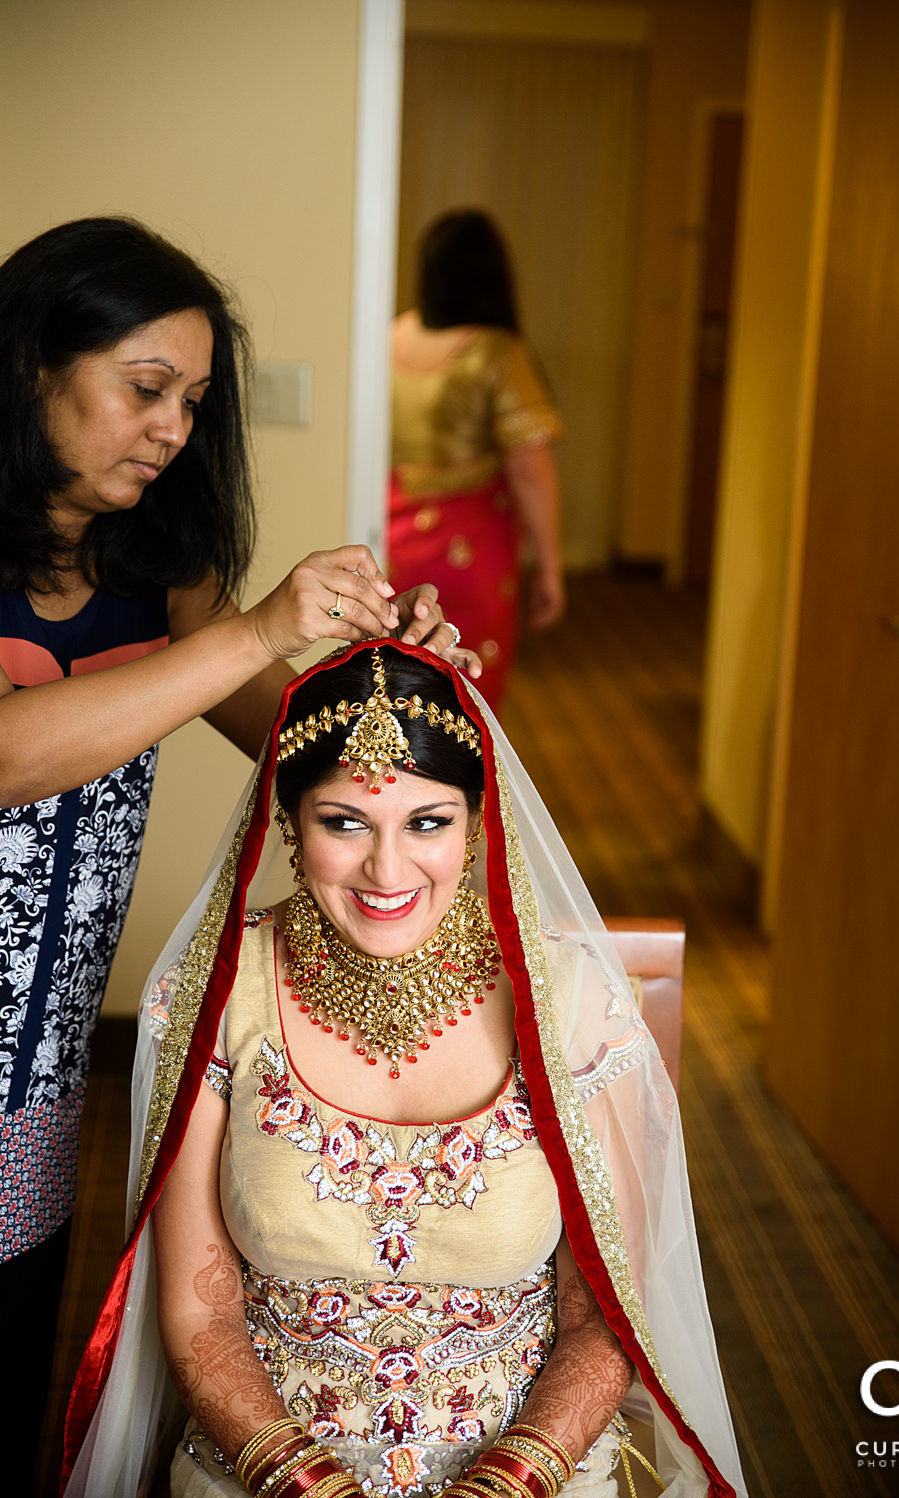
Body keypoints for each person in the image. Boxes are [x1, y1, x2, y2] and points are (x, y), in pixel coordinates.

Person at [0, 215, 476, 1459]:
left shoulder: (152, 577)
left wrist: (401, 686)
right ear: (26, 367)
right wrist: (261, 626)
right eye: (145, 389)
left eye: (195, 401)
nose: (174, 429)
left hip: (38, 1072)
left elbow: (293, 742)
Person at [63, 640, 747, 1498]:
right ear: (288, 822)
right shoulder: (220, 989)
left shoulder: (567, 1002)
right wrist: (307, 1484)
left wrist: (500, 1486)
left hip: (530, 1474)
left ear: (476, 822)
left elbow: (602, 1316)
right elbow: (200, 1314)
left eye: (427, 822)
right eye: (343, 822)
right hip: (264, 1471)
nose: (387, 871)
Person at [389, 210, 566, 710]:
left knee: (396, 690)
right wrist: (551, 567)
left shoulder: (390, 336)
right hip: (469, 545)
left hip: (390, 537)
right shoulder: (498, 352)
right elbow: (531, 473)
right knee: (466, 695)